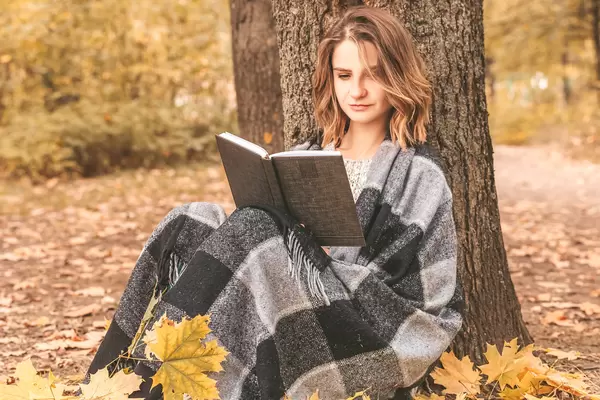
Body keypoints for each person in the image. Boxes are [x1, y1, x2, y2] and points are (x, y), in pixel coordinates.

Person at [84, 6, 464, 400]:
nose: (357, 91)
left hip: (368, 326)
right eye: (345, 75)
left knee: (259, 233)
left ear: (397, 77)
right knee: (191, 219)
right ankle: (121, 376)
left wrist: (320, 262)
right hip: (286, 299)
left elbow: (428, 295)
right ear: (329, 79)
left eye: (374, 75)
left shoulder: (419, 174)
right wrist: (295, 250)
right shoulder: (306, 157)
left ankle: (153, 386)